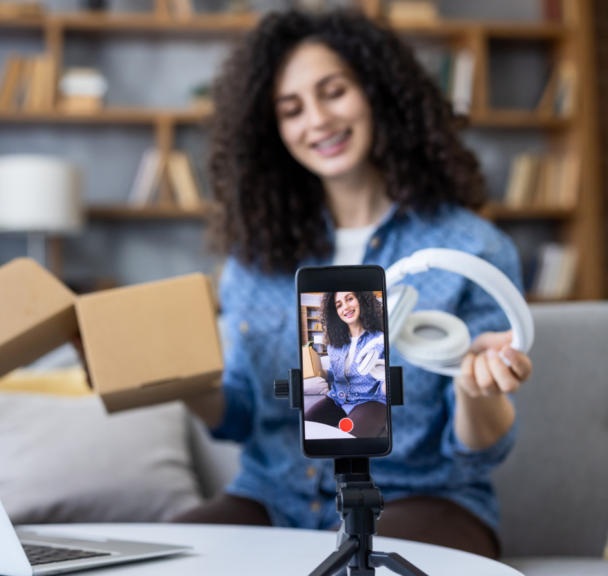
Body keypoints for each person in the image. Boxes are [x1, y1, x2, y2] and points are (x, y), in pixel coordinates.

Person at [172, 10, 534, 559]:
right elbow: (241, 416)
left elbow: (478, 453)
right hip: (274, 500)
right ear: (271, 131)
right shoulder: (254, 260)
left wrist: (476, 391)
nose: (316, 120)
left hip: (421, 498)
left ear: (377, 92)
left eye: (333, 92)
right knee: (162, 556)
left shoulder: (470, 250)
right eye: (291, 110)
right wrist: (178, 380)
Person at [304, 291, 388, 438]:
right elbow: (335, 373)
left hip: (370, 400)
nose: (345, 307)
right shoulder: (335, 344)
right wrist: (321, 372)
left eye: (350, 299)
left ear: (362, 301)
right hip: (337, 399)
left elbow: (384, 386)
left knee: (345, 439)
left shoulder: (381, 341)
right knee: (305, 427)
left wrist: (388, 381)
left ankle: (374, 426)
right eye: (339, 305)